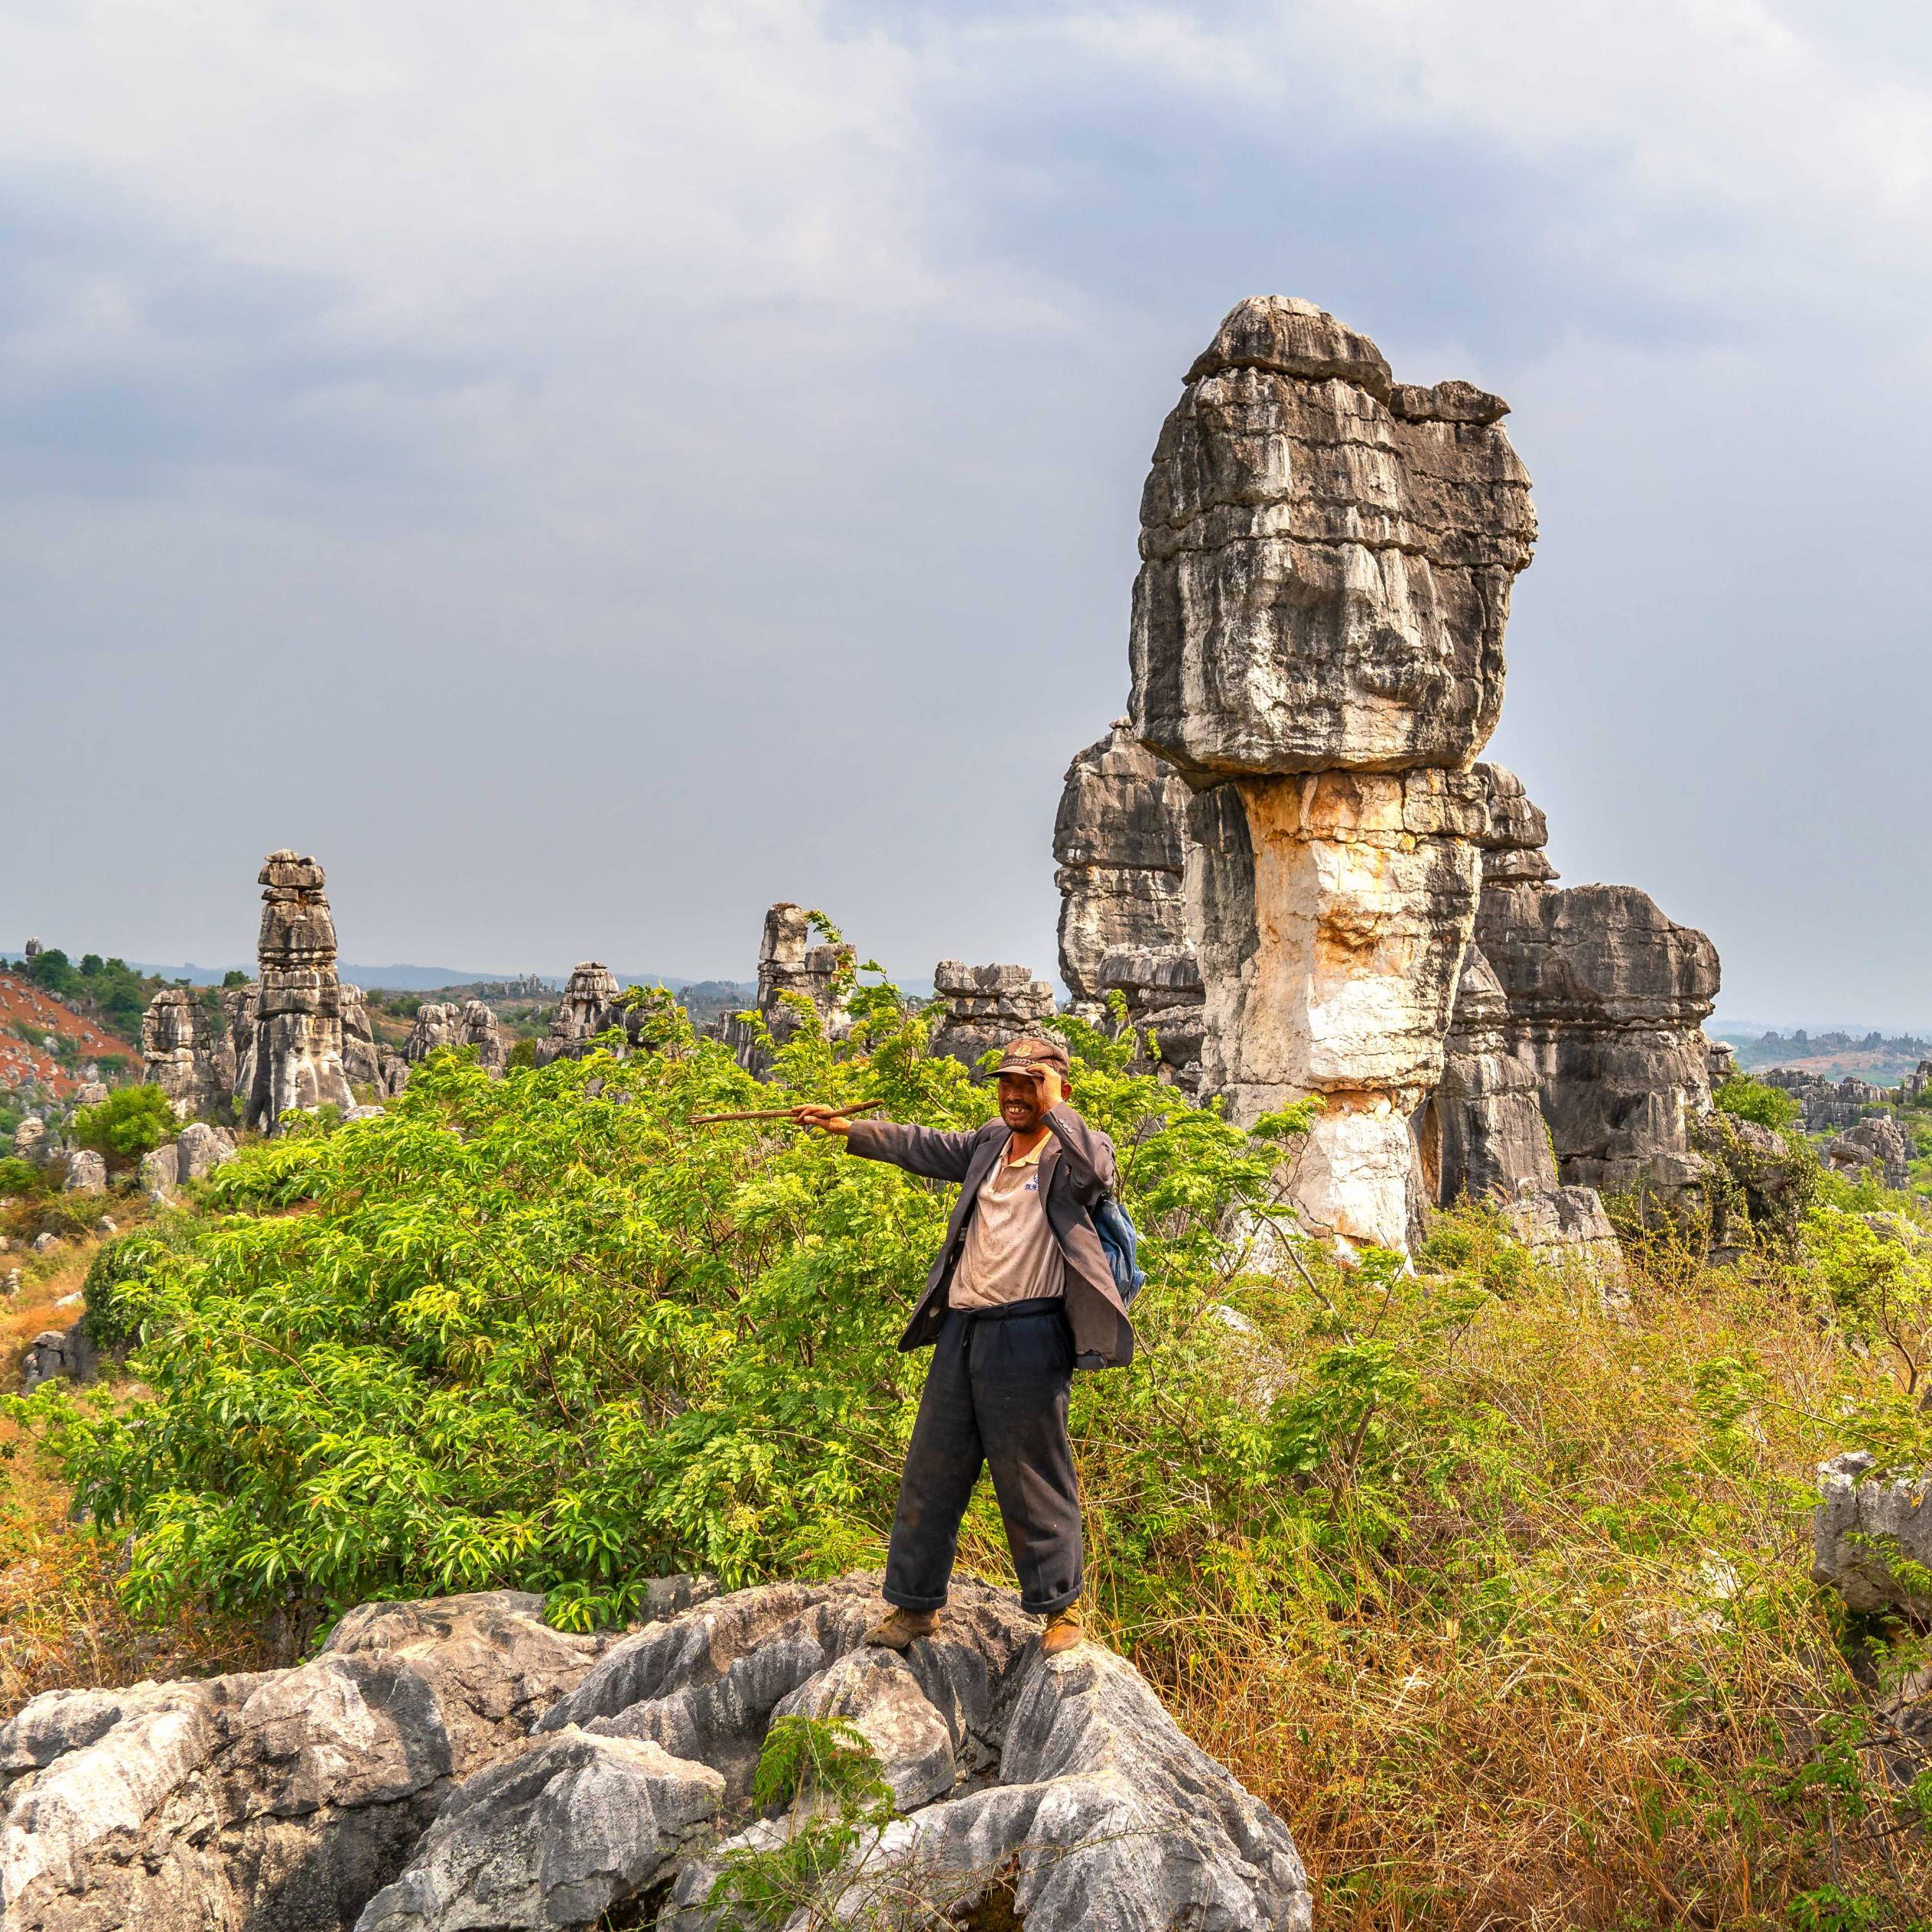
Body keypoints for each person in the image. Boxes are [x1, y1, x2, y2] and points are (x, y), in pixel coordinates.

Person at [794, 1036, 1134, 1657]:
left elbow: (1098, 1173)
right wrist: (846, 1127)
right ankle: (914, 1605)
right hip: (963, 1328)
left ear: (1054, 1090)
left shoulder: (1070, 1152)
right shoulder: (988, 1145)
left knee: (1032, 1474)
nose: (1012, 1095)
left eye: (1027, 1085)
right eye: (1006, 1083)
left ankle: (1060, 1610)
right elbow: (922, 1145)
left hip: (1030, 1333)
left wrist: (1056, 1103)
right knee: (932, 1469)